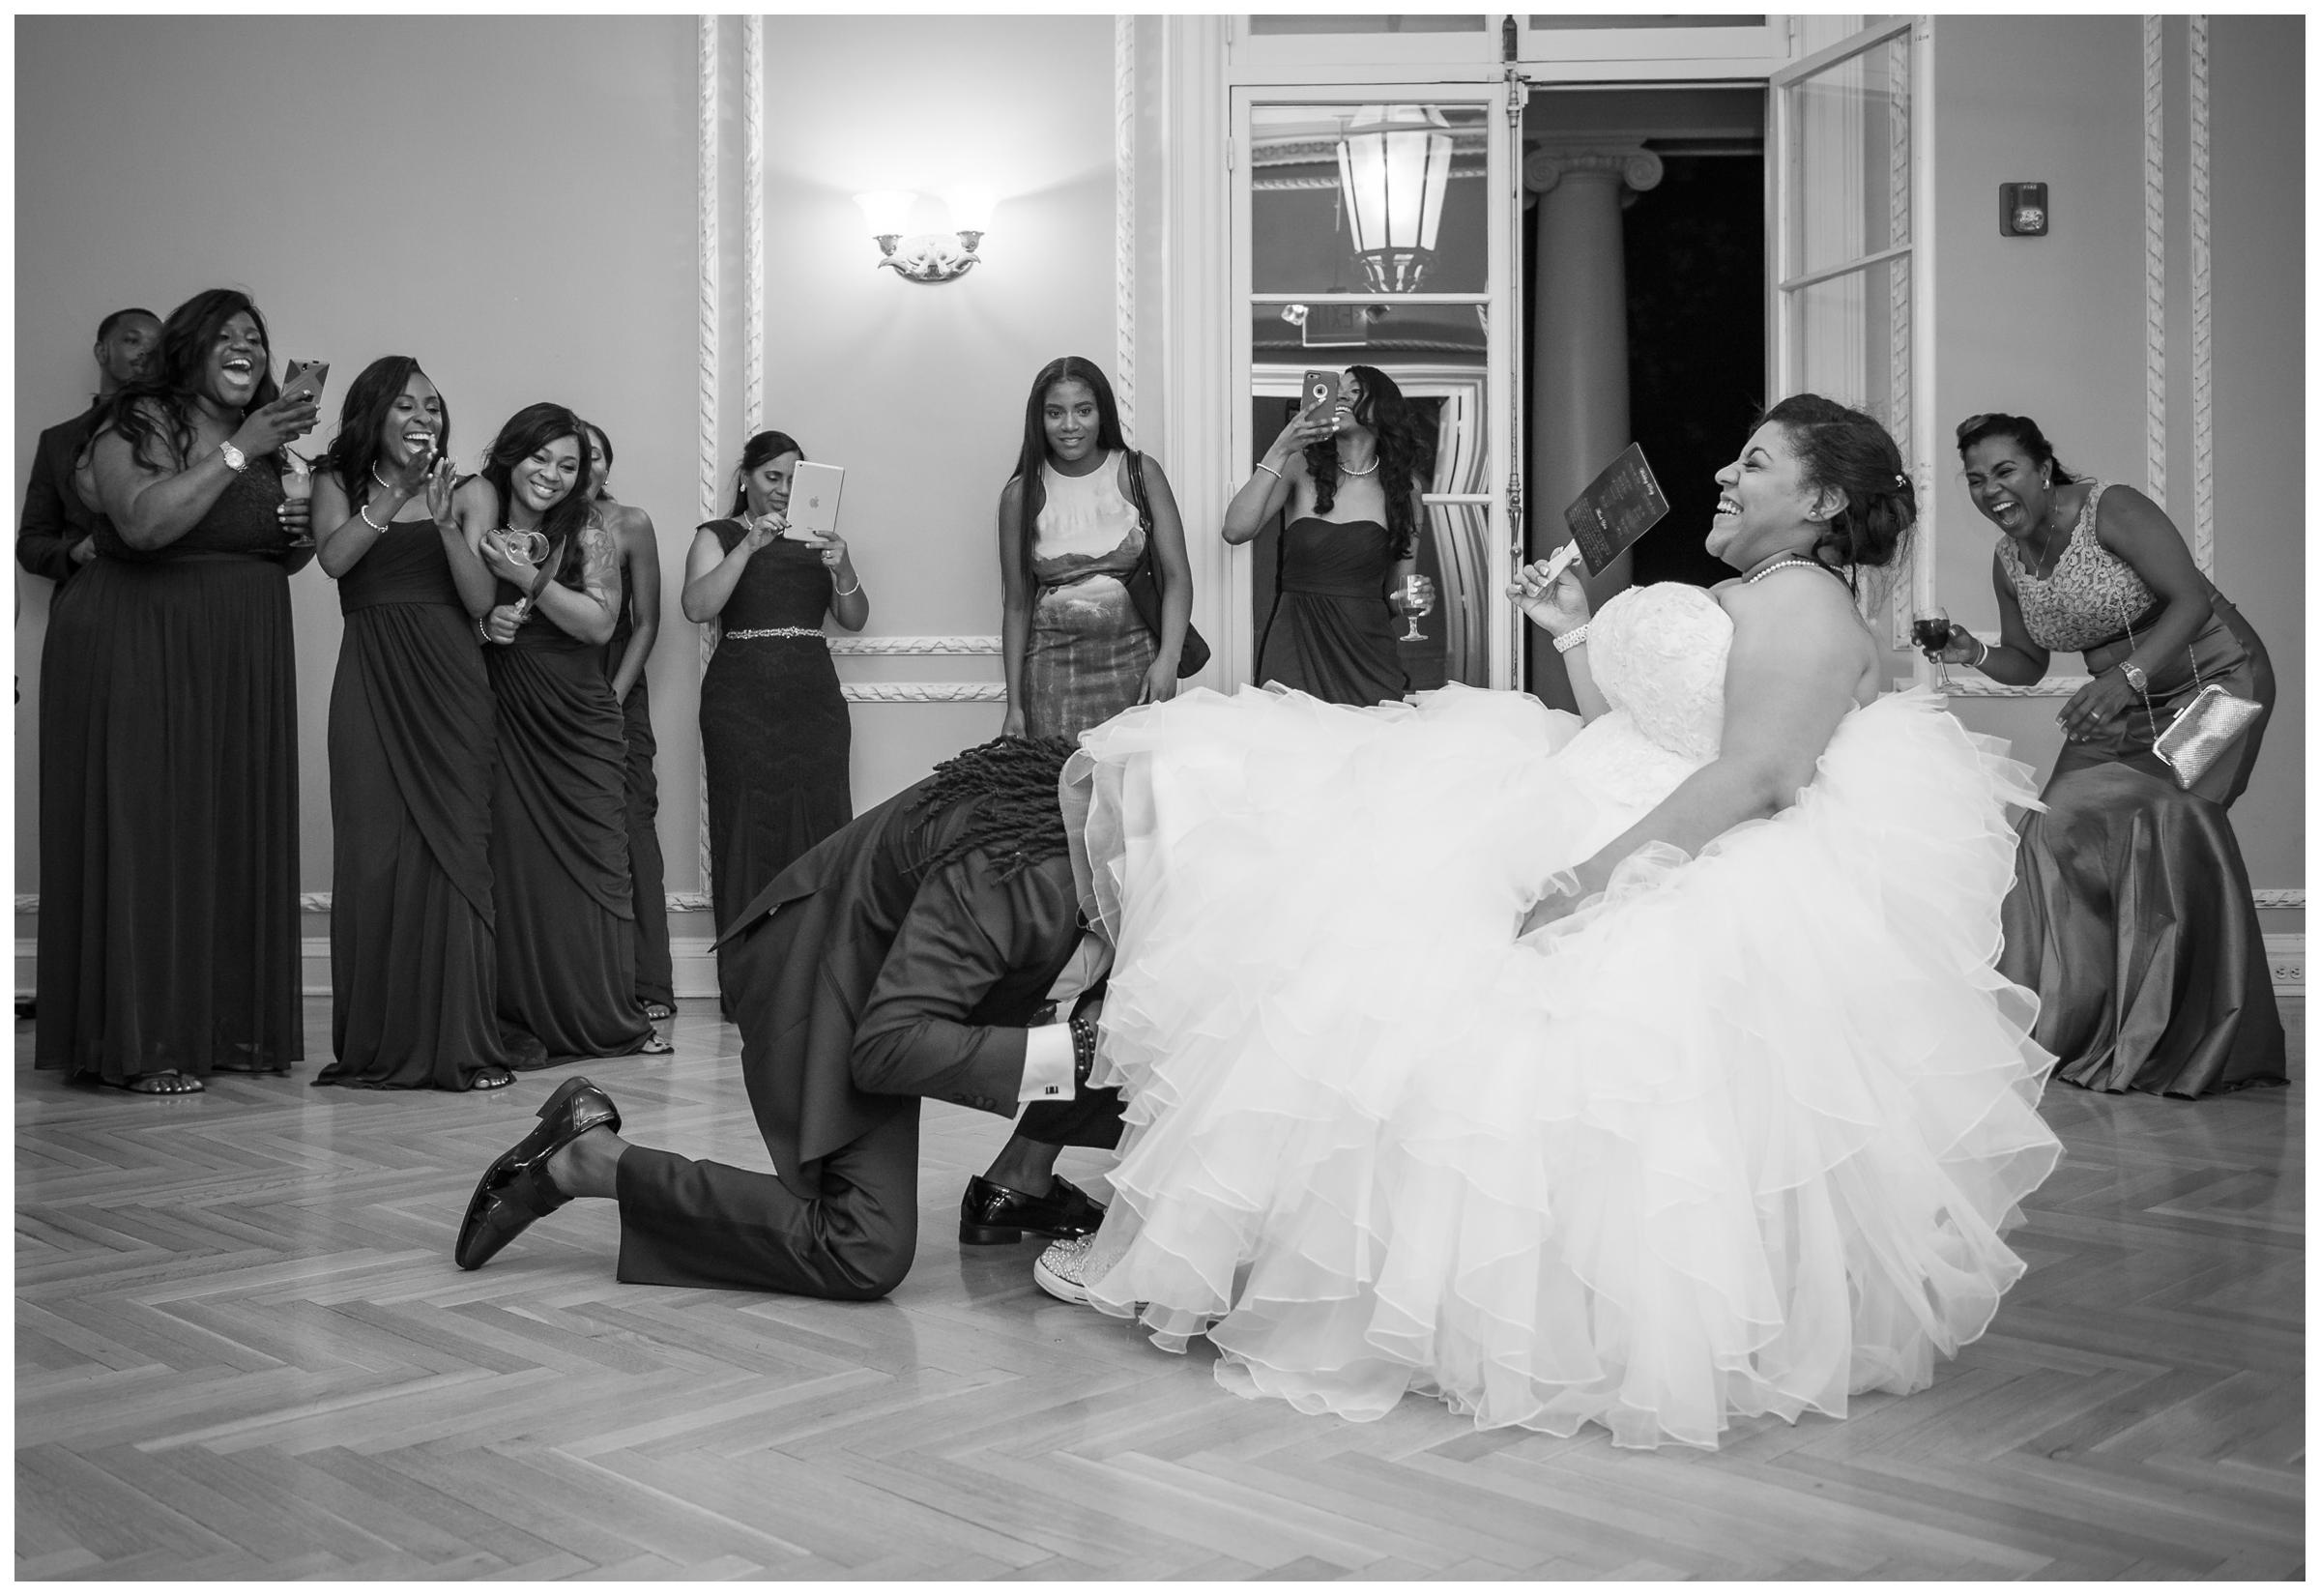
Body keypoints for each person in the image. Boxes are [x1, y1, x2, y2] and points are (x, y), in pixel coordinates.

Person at [1034, 395, 2062, 1451]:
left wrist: (1593, 881)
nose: (1724, 475)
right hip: (1586, 802)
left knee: (1469, 1057)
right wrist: (1576, 626)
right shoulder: (1758, 591)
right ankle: (1281, 1264)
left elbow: (1758, 775)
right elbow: (1652, 727)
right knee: (1368, 1004)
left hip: (1650, 858)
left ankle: (1452, 1310)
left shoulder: (1805, 608)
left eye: (1755, 463)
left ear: (1824, 500)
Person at [453, 738, 1126, 1300]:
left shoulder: (1109, 843)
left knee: (1130, 1024)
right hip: (824, 974)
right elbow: (889, 1047)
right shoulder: (1023, 871)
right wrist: (1076, 1050)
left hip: (896, 979)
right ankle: (584, 1159)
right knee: (864, 1248)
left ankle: (1021, 1183)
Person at [1927, 413, 2284, 1097]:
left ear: (2042, 468)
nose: (1991, 490)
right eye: (1975, 479)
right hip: (2121, 701)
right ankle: (2063, 1029)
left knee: (2173, 816)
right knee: (2052, 829)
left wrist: (2126, 678)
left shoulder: (2111, 508)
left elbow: (2188, 600)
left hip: (2214, 677)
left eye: (2004, 471)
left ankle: (2193, 1040)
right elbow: (2027, 663)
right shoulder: (2008, 561)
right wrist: (1969, 652)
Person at [35, 289, 318, 1093]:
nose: (247, 348)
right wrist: (241, 451)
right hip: (142, 644)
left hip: (240, 654)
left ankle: (224, 1026)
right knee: (152, 837)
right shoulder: (139, 422)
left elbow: (255, 547)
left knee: (225, 832)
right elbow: (144, 524)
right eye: (227, 336)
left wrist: (288, 536)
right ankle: (142, 1039)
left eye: (255, 337)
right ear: (189, 350)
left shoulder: (266, 437)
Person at [310, 357, 536, 1091]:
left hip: (449, 678)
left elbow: (476, 601)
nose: (423, 418)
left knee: (456, 856)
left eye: (433, 407)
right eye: (407, 405)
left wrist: (441, 523)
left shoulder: (467, 491)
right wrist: (394, 495)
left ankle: (462, 1043)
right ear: (373, 413)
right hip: (371, 676)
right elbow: (335, 561)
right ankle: (376, 1044)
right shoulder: (334, 481)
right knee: (372, 854)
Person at [448, 403, 663, 1064]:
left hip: (580, 715)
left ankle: (601, 1013)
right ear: (512, 455)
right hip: (509, 710)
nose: (552, 474)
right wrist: (488, 628)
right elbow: (455, 611)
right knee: (517, 868)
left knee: (599, 869)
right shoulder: (477, 508)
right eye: (541, 458)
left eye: (567, 465)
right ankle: (521, 1012)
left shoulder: (591, 529)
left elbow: (601, 625)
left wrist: (529, 577)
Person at [682, 430, 866, 992]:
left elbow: (855, 619)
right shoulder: (715, 536)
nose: (784, 489)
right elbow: (697, 606)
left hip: (812, 699)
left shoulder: (819, 541)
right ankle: (752, 981)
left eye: (794, 479)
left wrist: (844, 569)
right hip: (740, 700)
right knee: (747, 828)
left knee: (821, 828)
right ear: (746, 478)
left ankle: (817, 978)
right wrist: (748, 546)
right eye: (772, 477)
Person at [999, 357, 1194, 741]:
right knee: (1052, 797)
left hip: (1138, 671)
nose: (1070, 425)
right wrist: (1015, 706)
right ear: (1039, 420)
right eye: (1055, 413)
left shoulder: (1140, 472)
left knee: (1133, 794)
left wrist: (1168, 660)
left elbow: (1177, 578)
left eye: (1083, 410)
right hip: (1051, 680)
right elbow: (1017, 604)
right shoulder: (1020, 494)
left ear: (1101, 413)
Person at [1224, 363, 1423, 706]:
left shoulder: (1405, 489)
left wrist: (1414, 598)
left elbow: (1396, 592)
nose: (1341, 395)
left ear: (1383, 409)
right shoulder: (1299, 466)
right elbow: (1235, 530)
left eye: (1355, 390)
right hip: (1296, 641)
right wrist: (1281, 448)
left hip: (1365, 651)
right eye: (1337, 389)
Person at [580, 421, 675, 1023]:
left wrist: (614, 699)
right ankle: (586, 980)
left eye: (591, 456)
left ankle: (648, 982)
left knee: (631, 827)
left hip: (615, 686)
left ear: (607, 466)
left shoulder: (630, 523)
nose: (580, 467)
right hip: (545, 690)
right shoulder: (529, 524)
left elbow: (646, 621)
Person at [17, 306, 160, 591]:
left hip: (167, 597)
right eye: (132, 341)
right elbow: (30, 543)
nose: (146, 352)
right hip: (86, 598)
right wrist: (73, 552)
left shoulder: (182, 432)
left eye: (158, 347)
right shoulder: (58, 440)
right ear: (101, 351)